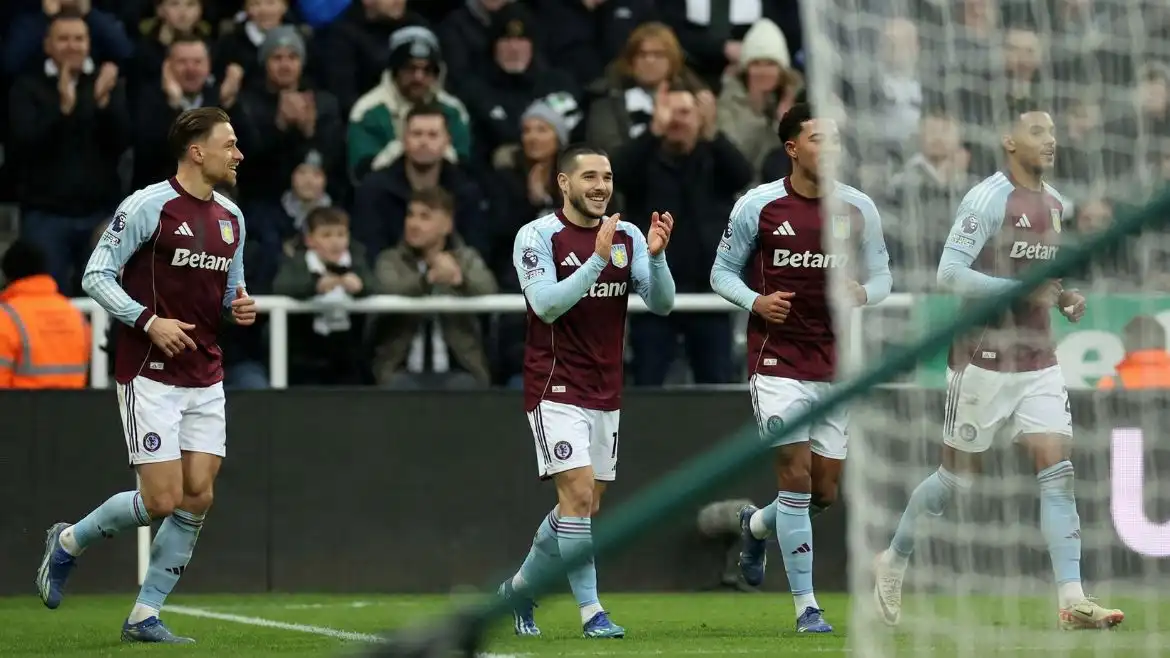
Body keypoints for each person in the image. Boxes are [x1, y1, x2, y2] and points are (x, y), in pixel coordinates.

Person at [871, 104, 1124, 630]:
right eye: (1037, 131)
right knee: (953, 481)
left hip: (1038, 359)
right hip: (982, 359)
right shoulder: (987, 198)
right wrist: (1023, 289)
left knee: (1058, 473)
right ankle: (893, 558)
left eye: (1053, 131)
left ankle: (1072, 599)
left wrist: (1063, 297)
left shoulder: (1055, 202)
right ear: (1009, 141)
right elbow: (949, 273)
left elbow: (1040, 276)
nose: (1050, 140)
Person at [36, 107, 257, 644]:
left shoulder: (232, 217)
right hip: (149, 370)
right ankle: (67, 542)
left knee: (198, 495)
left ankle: (144, 615)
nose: (239, 154)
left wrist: (240, 307)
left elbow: (230, 292)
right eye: (229, 144)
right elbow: (95, 274)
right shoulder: (146, 206)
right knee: (161, 499)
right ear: (196, 151)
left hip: (204, 371)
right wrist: (149, 321)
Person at [709, 103, 893, 633]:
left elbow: (884, 277)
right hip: (776, 360)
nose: (830, 148)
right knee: (794, 476)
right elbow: (722, 272)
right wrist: (755, 302)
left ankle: (756, 526)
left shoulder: (859, 208)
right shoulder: (760, 205)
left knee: (823, 492)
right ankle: (807, 607)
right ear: (793, 147)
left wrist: (864, 290)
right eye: (819, 139)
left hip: (835, 364)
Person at [499, 145, 677, 638]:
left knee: (583, 507)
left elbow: (661, 304)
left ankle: (519, 590)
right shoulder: (536, 236)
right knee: (577, 495)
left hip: (606, 387)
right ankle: (592, 612)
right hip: (554, 383)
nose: (601, 186)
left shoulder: (628, 235)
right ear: (564, 183)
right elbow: (547, 305)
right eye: (590, 177)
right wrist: (596, 262)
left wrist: (657, 260)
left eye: (608, 177)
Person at [0, 241, 91, 389]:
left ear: (7, 275)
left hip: (18, 410)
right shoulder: (74, 314)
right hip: (72, 409)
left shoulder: (5, 317)